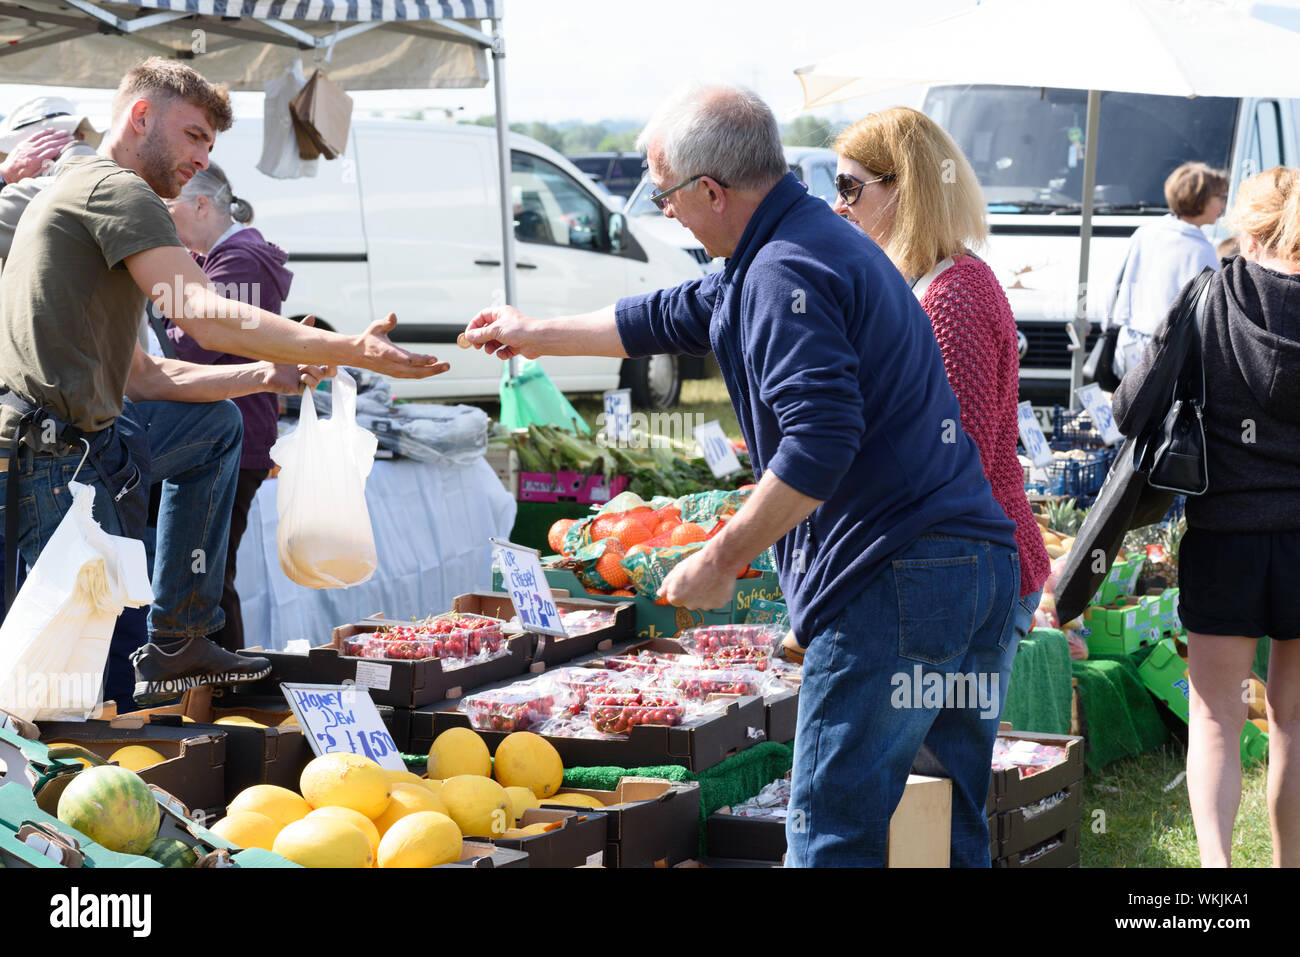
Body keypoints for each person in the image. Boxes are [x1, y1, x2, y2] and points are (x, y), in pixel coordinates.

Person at [464, 84, 1019, 867]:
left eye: (664, 197)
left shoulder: (781, 270)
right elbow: (666, 313)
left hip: (897, 577)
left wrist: (720, 557)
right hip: (971, 572)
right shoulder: (794, 243)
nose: (666, 215)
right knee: (946, 820)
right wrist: (534, 334)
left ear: (712, 191)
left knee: (832, 827)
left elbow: (820, 444)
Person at [0, 59, 449, 705]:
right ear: (140, 116)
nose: (202, 157)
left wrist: (267, 372)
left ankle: (181, 635)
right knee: (72, 691)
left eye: (211, 143)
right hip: (55, 460)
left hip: (60, 450)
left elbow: (148, 374)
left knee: (214, 425)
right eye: (193, 135)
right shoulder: (115, 191)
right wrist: (351, 346)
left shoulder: (88, 189)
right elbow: (205, 314)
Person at [1112, 167, 1300, 868]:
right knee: (1295, 724)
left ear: (1246, 231)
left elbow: (1131, 406)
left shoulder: (1209, 296)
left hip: (1223, 537)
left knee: (1217, 717)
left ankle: (1217, 878)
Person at [832, 106, 1050, 655]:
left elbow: (955, 456)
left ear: (907, 189)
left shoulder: (952, 294)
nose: (838, 205)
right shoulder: (928, 282)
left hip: (961, 563)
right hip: (958, 558)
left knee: (924, 744)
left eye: (850, 187)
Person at [162, 162, 292, 653]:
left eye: (168, 208)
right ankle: (219, 687)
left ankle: (225, 690)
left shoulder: (239, 259)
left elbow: (193, 344)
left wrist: (165, 281)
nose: (163, 224)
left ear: (200, 205)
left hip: (235, 432)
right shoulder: (235, 255)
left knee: (208, 578)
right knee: (207, 574)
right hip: (234, 427)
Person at [1108, 161, 1228, 379]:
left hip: (1129, 344)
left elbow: (1117, 285)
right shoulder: (1200, 249)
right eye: (1220, 198)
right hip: (1166, 353)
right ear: (1200, 199)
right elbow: (1210, 314)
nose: (1223, 206)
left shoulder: (1145, 233)